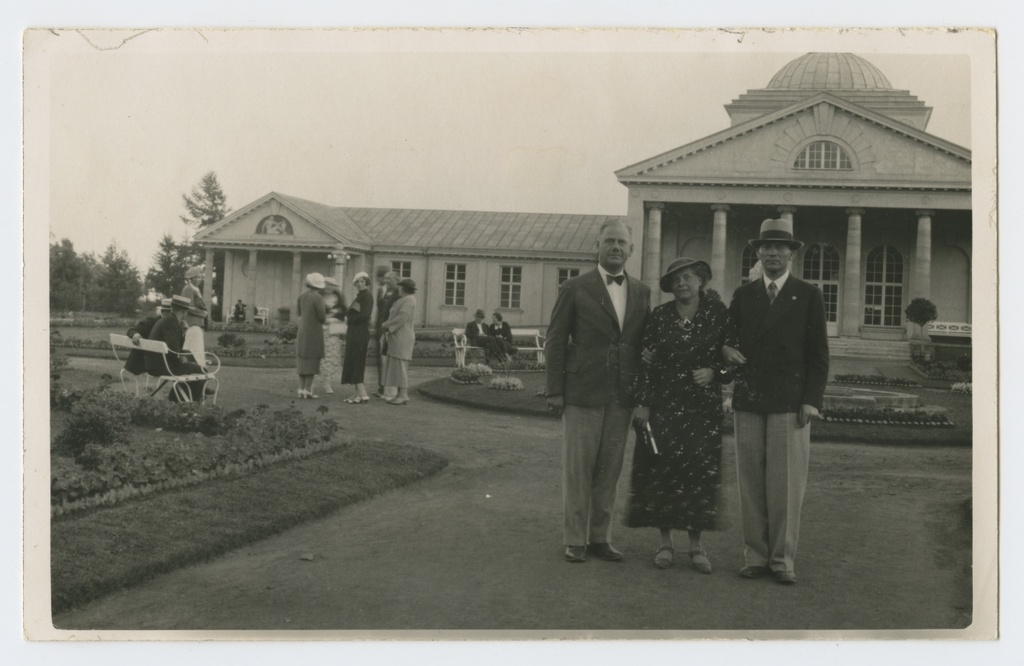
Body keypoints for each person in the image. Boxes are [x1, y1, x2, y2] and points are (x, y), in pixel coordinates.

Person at [722, 218, 830, 585]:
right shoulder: (744, 295)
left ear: (791, 254)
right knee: (751, 482)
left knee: (785, 484)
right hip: (750, 398)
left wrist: (811, 400)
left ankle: (782, 558)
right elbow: (727, 339)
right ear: (758, 253)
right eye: (765, 248)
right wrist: (725, 348)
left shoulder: (808, 294)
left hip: (789, 401)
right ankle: (754, 555)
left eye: (779, 248)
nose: (772, 254)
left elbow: (819, 355)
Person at [545, 219, 651, 563]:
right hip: (582, 391)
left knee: (610, 469)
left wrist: (641, 393)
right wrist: (554, 391)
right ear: (598, 246)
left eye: (622, 242)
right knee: (579, 468)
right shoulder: (575, 287)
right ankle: (575, 538)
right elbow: (556, 341)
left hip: (622, 395)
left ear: (631, 250)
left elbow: (643, 344)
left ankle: (600, 538)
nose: (616, 247)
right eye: (609, 241)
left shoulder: (641, 291)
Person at [627, 257, 734, 573]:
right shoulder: (659, 316)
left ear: (701, 281)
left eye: (687, 277)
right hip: (664, 407)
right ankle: (665, 543)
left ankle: (696, 546)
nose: (682, 283)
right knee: (663, 470)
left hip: (702, 409)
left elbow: (735, 362)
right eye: (675, 280)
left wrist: (715, 372)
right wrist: (643, 403)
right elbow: (645, 363)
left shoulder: (718, 315)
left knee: (698, 474)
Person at [144, 295, 209, 401]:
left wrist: (182, 333)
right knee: (202, 370)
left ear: (173, 308)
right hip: (163, 366)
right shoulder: (172, 322)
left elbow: (174, 346)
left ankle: (176, 399)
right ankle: (191, 401)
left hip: (156, 363)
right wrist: (181, 358)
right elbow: (173, 349)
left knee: (188, 356)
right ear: (184, 311)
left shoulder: (168, 319)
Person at [381, 278, 417, 405]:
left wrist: (388, 325)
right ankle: (399, 394)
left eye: (400, 287)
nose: (398, 289)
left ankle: (403, 395)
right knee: (396, 366)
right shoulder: (403, 299)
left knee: (400, 366)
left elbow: (402, 317)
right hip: (397, 336)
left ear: (405, 288)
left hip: (402, 336)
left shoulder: (409, 300)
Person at [341, 271, 374, 404]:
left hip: (359, 333)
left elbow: (364, 315)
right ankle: (357, 395)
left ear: (366, 283)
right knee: (354, 361)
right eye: (358, 282)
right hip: (355, 332)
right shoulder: (361, 296)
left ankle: (362, 394)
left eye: (362, 281)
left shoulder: (367, 297)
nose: (360, 284)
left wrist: (349, 319)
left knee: (356, 361)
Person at [295, 272, 327, 399]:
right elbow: (322, 317)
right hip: (314, 331)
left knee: (303, 360)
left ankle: (301, 389)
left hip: (303, 330)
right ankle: (308, 390)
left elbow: (299, 313)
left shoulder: (301, 296)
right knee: (313, 360)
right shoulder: (318, 298)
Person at [123, 299, 170, 376]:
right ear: (163, 312)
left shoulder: (172, 324)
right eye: (169, 313)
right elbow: (132, 330)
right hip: (143, 364)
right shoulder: (153, 321)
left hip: (154, 362)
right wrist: (135, 334)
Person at [372, 269, 400, 399]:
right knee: (381, 359)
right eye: (386, 278)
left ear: (396, 281)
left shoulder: (398, 294)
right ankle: (382, 387)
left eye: (389, 279)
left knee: (390, 359)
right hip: (380, 329)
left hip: (390, 330)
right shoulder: (383, 292)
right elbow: (380, 309)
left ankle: (392, 389)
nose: (386, 281)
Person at [318, 276, 348, 395]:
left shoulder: (338, 299)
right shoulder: (319, 298)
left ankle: (327, 382)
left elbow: (344, 313)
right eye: (327, 285)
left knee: (331, 356)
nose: (329, 287)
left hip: (333, 330)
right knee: (322, 356)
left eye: (331, 285)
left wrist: (334, 316)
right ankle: (318, 379)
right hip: (321, 330)